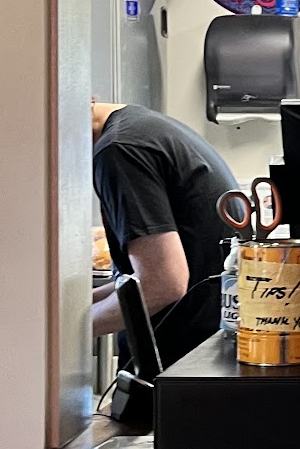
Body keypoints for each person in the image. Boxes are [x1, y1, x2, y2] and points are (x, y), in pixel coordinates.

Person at [92, 102, 237, 368]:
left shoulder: (118, 150)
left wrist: (62, 333)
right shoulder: (144, 128)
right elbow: (143, 278)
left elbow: (161, 284)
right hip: (208, 351)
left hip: (179, 361)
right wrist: (74, 310)